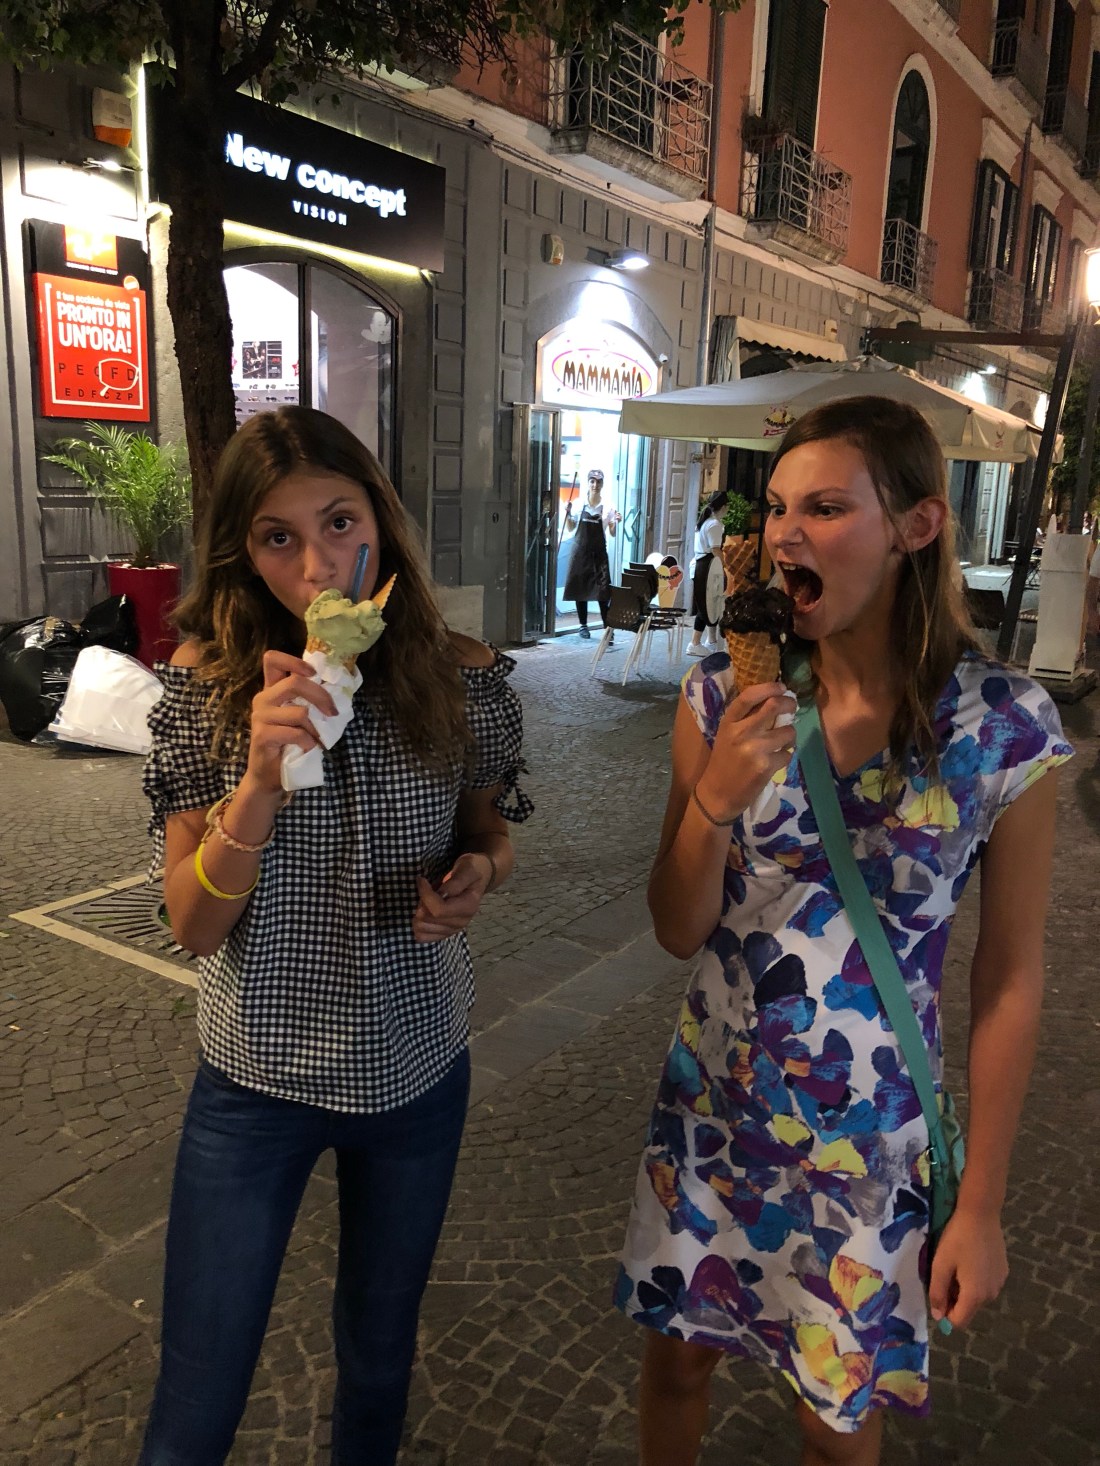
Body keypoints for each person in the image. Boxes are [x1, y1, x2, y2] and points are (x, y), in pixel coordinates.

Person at [615, 397, 1072, 1466]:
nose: (785, 534)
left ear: (916, 525)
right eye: (777, 507)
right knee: (676, 1366)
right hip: (714, 1111)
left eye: (824, 508)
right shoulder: (720, 694)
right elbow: (676, 926)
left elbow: (1009, 975)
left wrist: (981, 1204)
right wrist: (714, 800)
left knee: (836, 1424)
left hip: (869, 1141)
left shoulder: (1003, 726)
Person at [138, 406, 531, 1466]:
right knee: (199, 1388)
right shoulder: (205, 686)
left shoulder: (460, 677)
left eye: (340, 523)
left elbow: (489, 834)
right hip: (254, 1077)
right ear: (243, 550)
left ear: (381, 523)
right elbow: (192, 924)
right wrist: (259, 783)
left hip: (414, 1068)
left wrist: (476, 877)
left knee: (378, 1357)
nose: (318, 567)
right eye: (279, 537)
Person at [563, 468, 620, 639]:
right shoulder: (578, 504)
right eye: (592, 481)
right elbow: (571, 528)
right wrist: (567, 514)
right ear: (588, 483)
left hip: (599, 555)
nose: (595, 485)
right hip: (580, 553)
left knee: (603, 592)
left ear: (602, 484)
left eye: (599, 482)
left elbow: (612, 533)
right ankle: (583, 626)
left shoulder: (608, 506)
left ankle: (607, 628)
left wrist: (616, 522)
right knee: (580, 589)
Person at [687, 490, 727, 656]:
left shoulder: (705, 522)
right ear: (723, 507)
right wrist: (724, 566)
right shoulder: (714, 525)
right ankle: (695, 643)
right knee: (706, 606)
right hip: (708, 567)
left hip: (701, 565)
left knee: (711, 604)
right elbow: (715, 549)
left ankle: (711, 640)